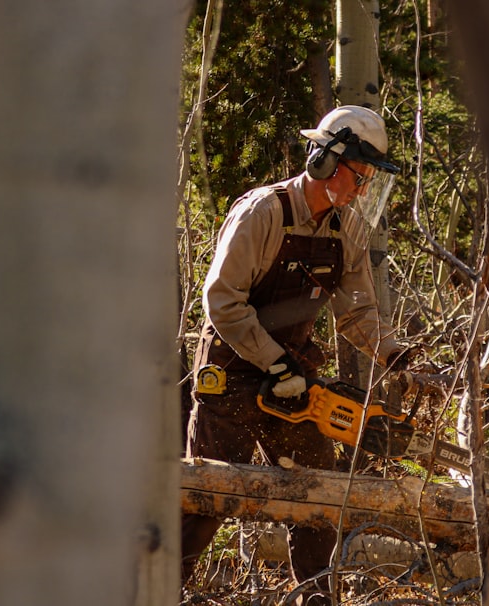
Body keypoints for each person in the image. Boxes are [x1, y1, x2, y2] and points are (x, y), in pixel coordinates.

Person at [181, 105, 411, 605]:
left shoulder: (345, 229)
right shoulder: (263, 212)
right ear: (326, 161)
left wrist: (391, 352)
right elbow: (221, 299)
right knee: (206, 501)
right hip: (233, 371)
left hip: (295, 381)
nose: (362, 190)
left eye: (371, 180)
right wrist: (275, 363)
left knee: (319, 497)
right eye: (359, 176)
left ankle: (315, 598)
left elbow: (357, 312)